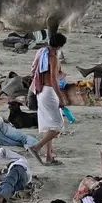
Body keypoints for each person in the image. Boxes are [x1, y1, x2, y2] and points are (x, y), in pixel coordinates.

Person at [29, 33, 67, 165]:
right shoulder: (53, 58)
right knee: (58, 125)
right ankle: (36, 147)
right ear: (60, 46)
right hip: (49, 92)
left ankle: (49, 157)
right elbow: (54, 80)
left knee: (48, 126)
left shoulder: (41, 52)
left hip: (40, 91)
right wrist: (61, 98)